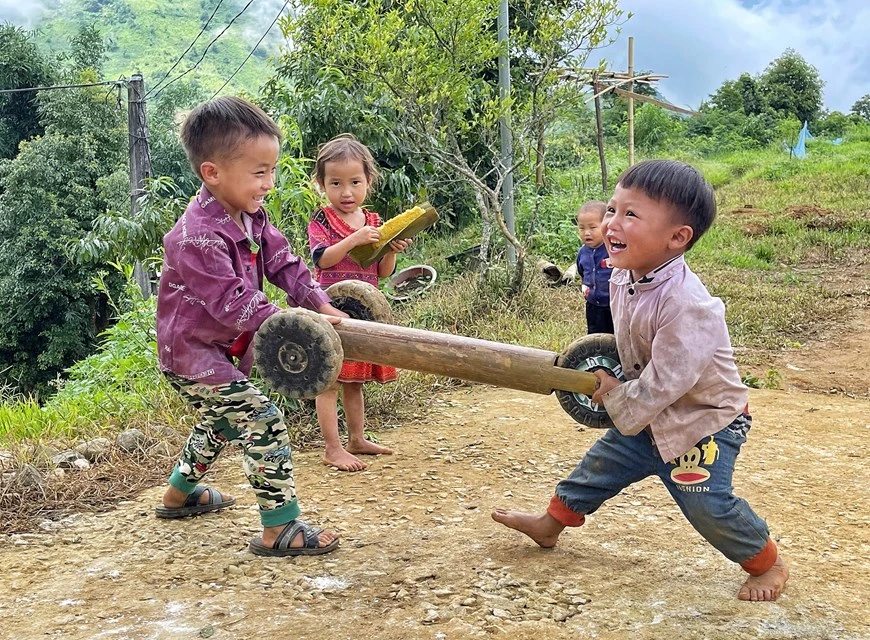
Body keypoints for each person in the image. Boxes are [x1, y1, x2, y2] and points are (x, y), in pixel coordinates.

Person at [493, 160, 789, 602]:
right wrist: (610, 374)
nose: (612, 222)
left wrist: (615, 395)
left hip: (702, 421)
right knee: (595, 471)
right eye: (613, 209)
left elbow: (665, 383)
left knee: (706, 503)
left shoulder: (689, 304)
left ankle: (767, 564)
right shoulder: (622, 276)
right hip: (648, 414)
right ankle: (549, 525)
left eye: (631, 215)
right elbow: (628, 348)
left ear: (677, 237)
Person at [154, 96, 345, 558]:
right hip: (191, 355)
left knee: (223, 419)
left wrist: (321, 303)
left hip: (218, 350)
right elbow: (233, 303)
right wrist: (296, 326)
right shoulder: (197, 236)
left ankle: (179, 495)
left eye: (271, 170)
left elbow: (285, 263)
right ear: (212, 172)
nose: (269, 183)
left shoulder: (251, 216)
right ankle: (279, 527)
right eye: (259, 172)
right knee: (261, 419)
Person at [307, 134, 410, 472]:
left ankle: (356, 438)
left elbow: (380, 272)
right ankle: (332, 448)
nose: (346, 192)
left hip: (364, 308)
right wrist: (353, 238)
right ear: (322, 184)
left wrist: (390, 251)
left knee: (354, 380)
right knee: (330, 381)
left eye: (355, 182)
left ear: (369, 180)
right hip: (331, 308)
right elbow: (322, 260)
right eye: (336, 183)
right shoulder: (321, 220)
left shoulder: (375, 222)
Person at [573, 200, 614, 334]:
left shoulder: (613, 250)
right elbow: (582, 272)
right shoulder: (582, 253)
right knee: (595, 336)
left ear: (606, 226)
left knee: (616, 338)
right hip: (593, 304)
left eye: (592, 227)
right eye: (582, 228)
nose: (586, 233)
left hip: (614, 305)